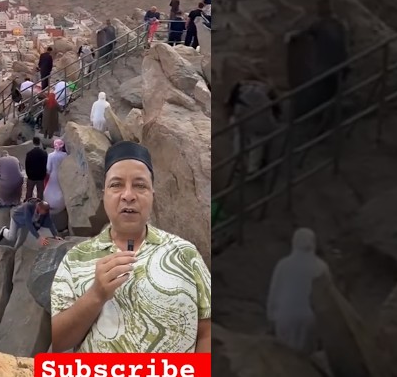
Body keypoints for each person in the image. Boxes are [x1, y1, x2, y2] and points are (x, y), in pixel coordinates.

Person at [50, 141, 211, 353]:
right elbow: (59, 341)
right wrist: (96, 295)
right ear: (104, 194)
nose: (128, 195)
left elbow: (207, 331)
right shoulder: (76, 259)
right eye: (116, 185)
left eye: (140, 185)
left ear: (153, 194)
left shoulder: (185, 254)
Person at [266, 227, 330, 355]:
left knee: (286, 357)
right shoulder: (322, 267)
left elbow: (274, 293)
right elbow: (328, 299)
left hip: (284, 318)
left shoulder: (283, 265)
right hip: (310, 321)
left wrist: (271, 318)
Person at [300, 0, 349, 121]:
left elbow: (306, 32)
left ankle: (325, 122)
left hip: (326, 68)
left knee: (324, 96)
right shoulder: (339, 23)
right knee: (333, 94)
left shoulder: (320, 25)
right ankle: (330, 119)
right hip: (339, 65)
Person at [227, 77, 282, 178]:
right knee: (257, 141)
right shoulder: (268, 89)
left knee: (239, 137)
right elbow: (277, 110)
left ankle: (237, 165)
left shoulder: (239, 87)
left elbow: (230, 106)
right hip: (261, 123)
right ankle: (253, 169)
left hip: (242, 119)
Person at [43, 138, 67, 209]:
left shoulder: (51, 155)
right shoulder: (65, 155)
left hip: (53, 174)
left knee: (51, 189)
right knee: (60, 189)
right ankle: (60, 204)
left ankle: (50, 203)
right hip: (63, 174)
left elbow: (48, 168)